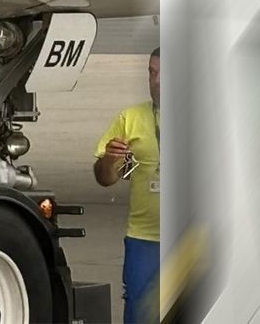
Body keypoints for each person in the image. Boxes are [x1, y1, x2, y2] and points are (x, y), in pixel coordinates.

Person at [94, 46, 160, 324]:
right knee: (139, 312)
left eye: (164, 74)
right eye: (151, 73)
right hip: (144, 237)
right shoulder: (129, 118)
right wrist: (110, 160)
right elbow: (105, 178)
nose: (156, 81)